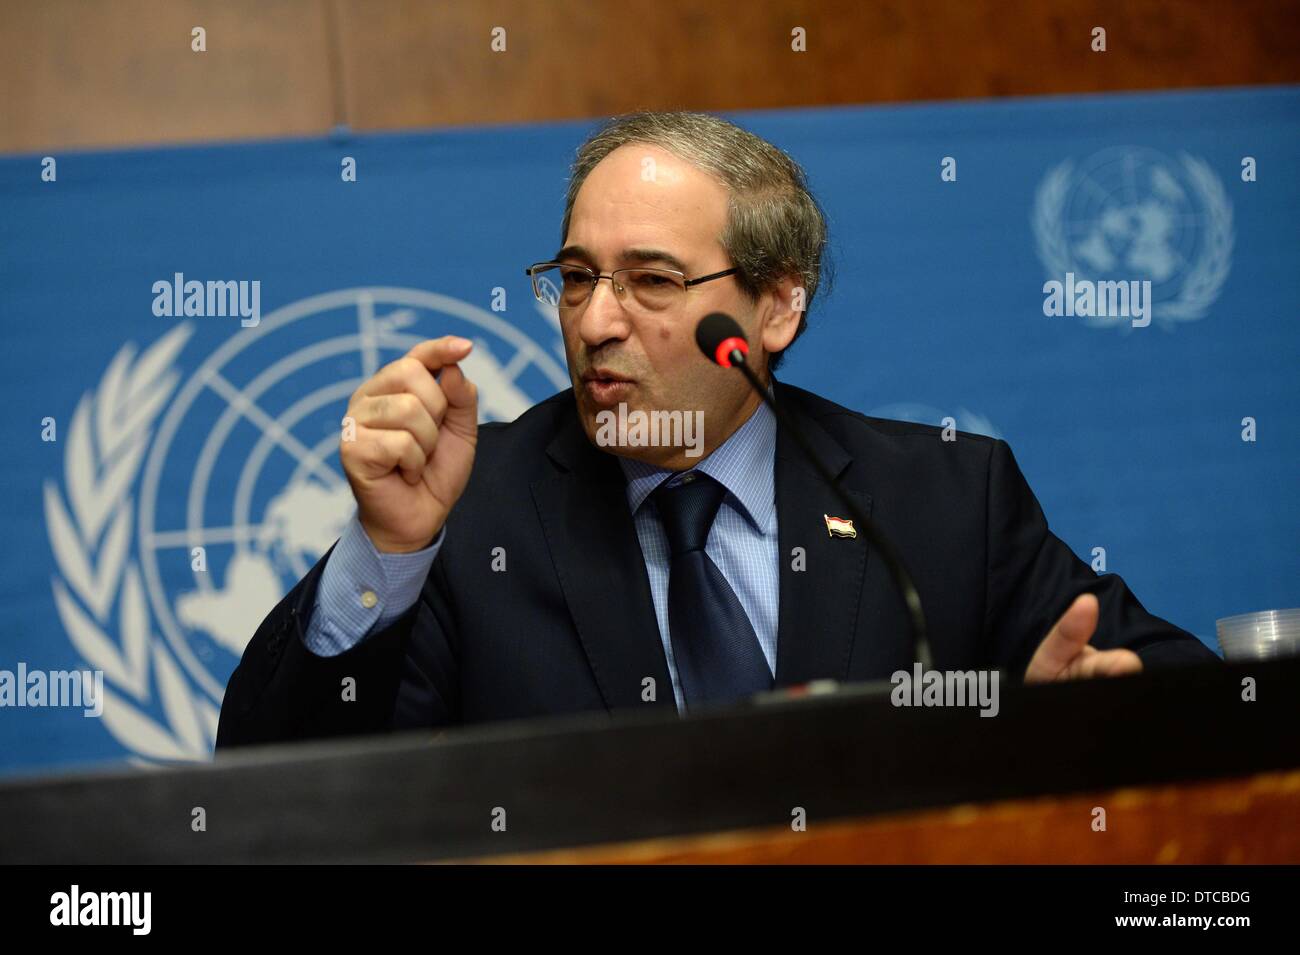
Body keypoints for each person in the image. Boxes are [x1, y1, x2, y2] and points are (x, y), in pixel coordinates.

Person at [216, 111, 1217, 748]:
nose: (597, 321)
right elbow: (276, 786)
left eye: (651, 281)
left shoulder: (943, 498)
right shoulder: (471, 506)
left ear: (775, 308)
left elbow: (1198, 702)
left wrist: (1086, 718)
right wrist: (384, 552)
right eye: (574, 279)